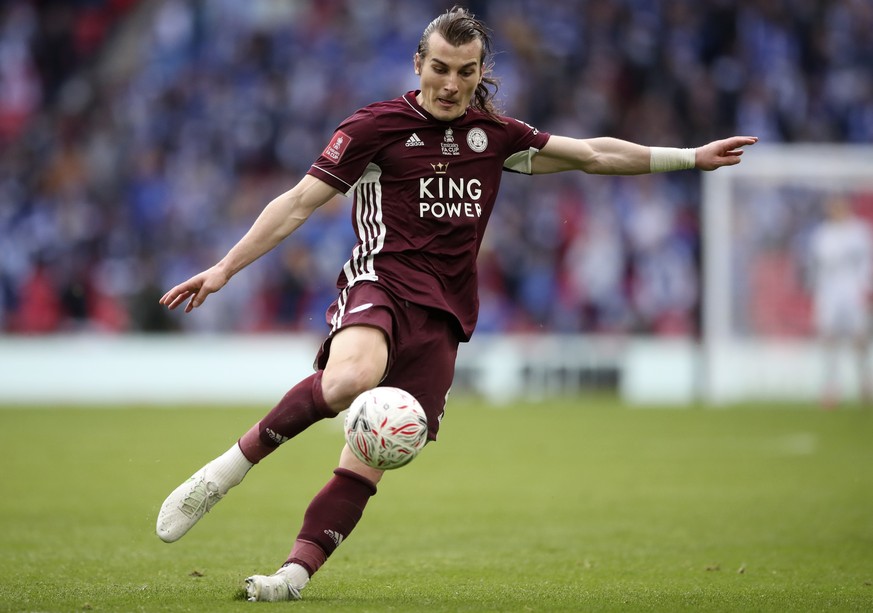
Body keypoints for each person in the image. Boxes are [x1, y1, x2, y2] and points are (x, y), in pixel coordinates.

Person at [155, 6, 758, 602]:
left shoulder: (496, 138)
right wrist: (224, 268)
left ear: (479, 73)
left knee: (373, 450)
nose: (450, 84)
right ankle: (223, 473)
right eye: (439, 68)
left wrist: (691, 157)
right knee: (349, 380)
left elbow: (593, 154)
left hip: (443, 317)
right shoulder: (373, 127)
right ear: (418, 64)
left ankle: (292, 577)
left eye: (464, 71)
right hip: (381, 282)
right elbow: (296, 203)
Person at [808, 195, 873, 408]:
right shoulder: (822, 234)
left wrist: (867, 289)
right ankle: (831, 387)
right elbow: (815, 267)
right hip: (829, 293)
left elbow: (867, 263)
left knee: (860, 339)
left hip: (854, 291)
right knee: (829, 339)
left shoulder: (860, 232)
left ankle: (864, 383)